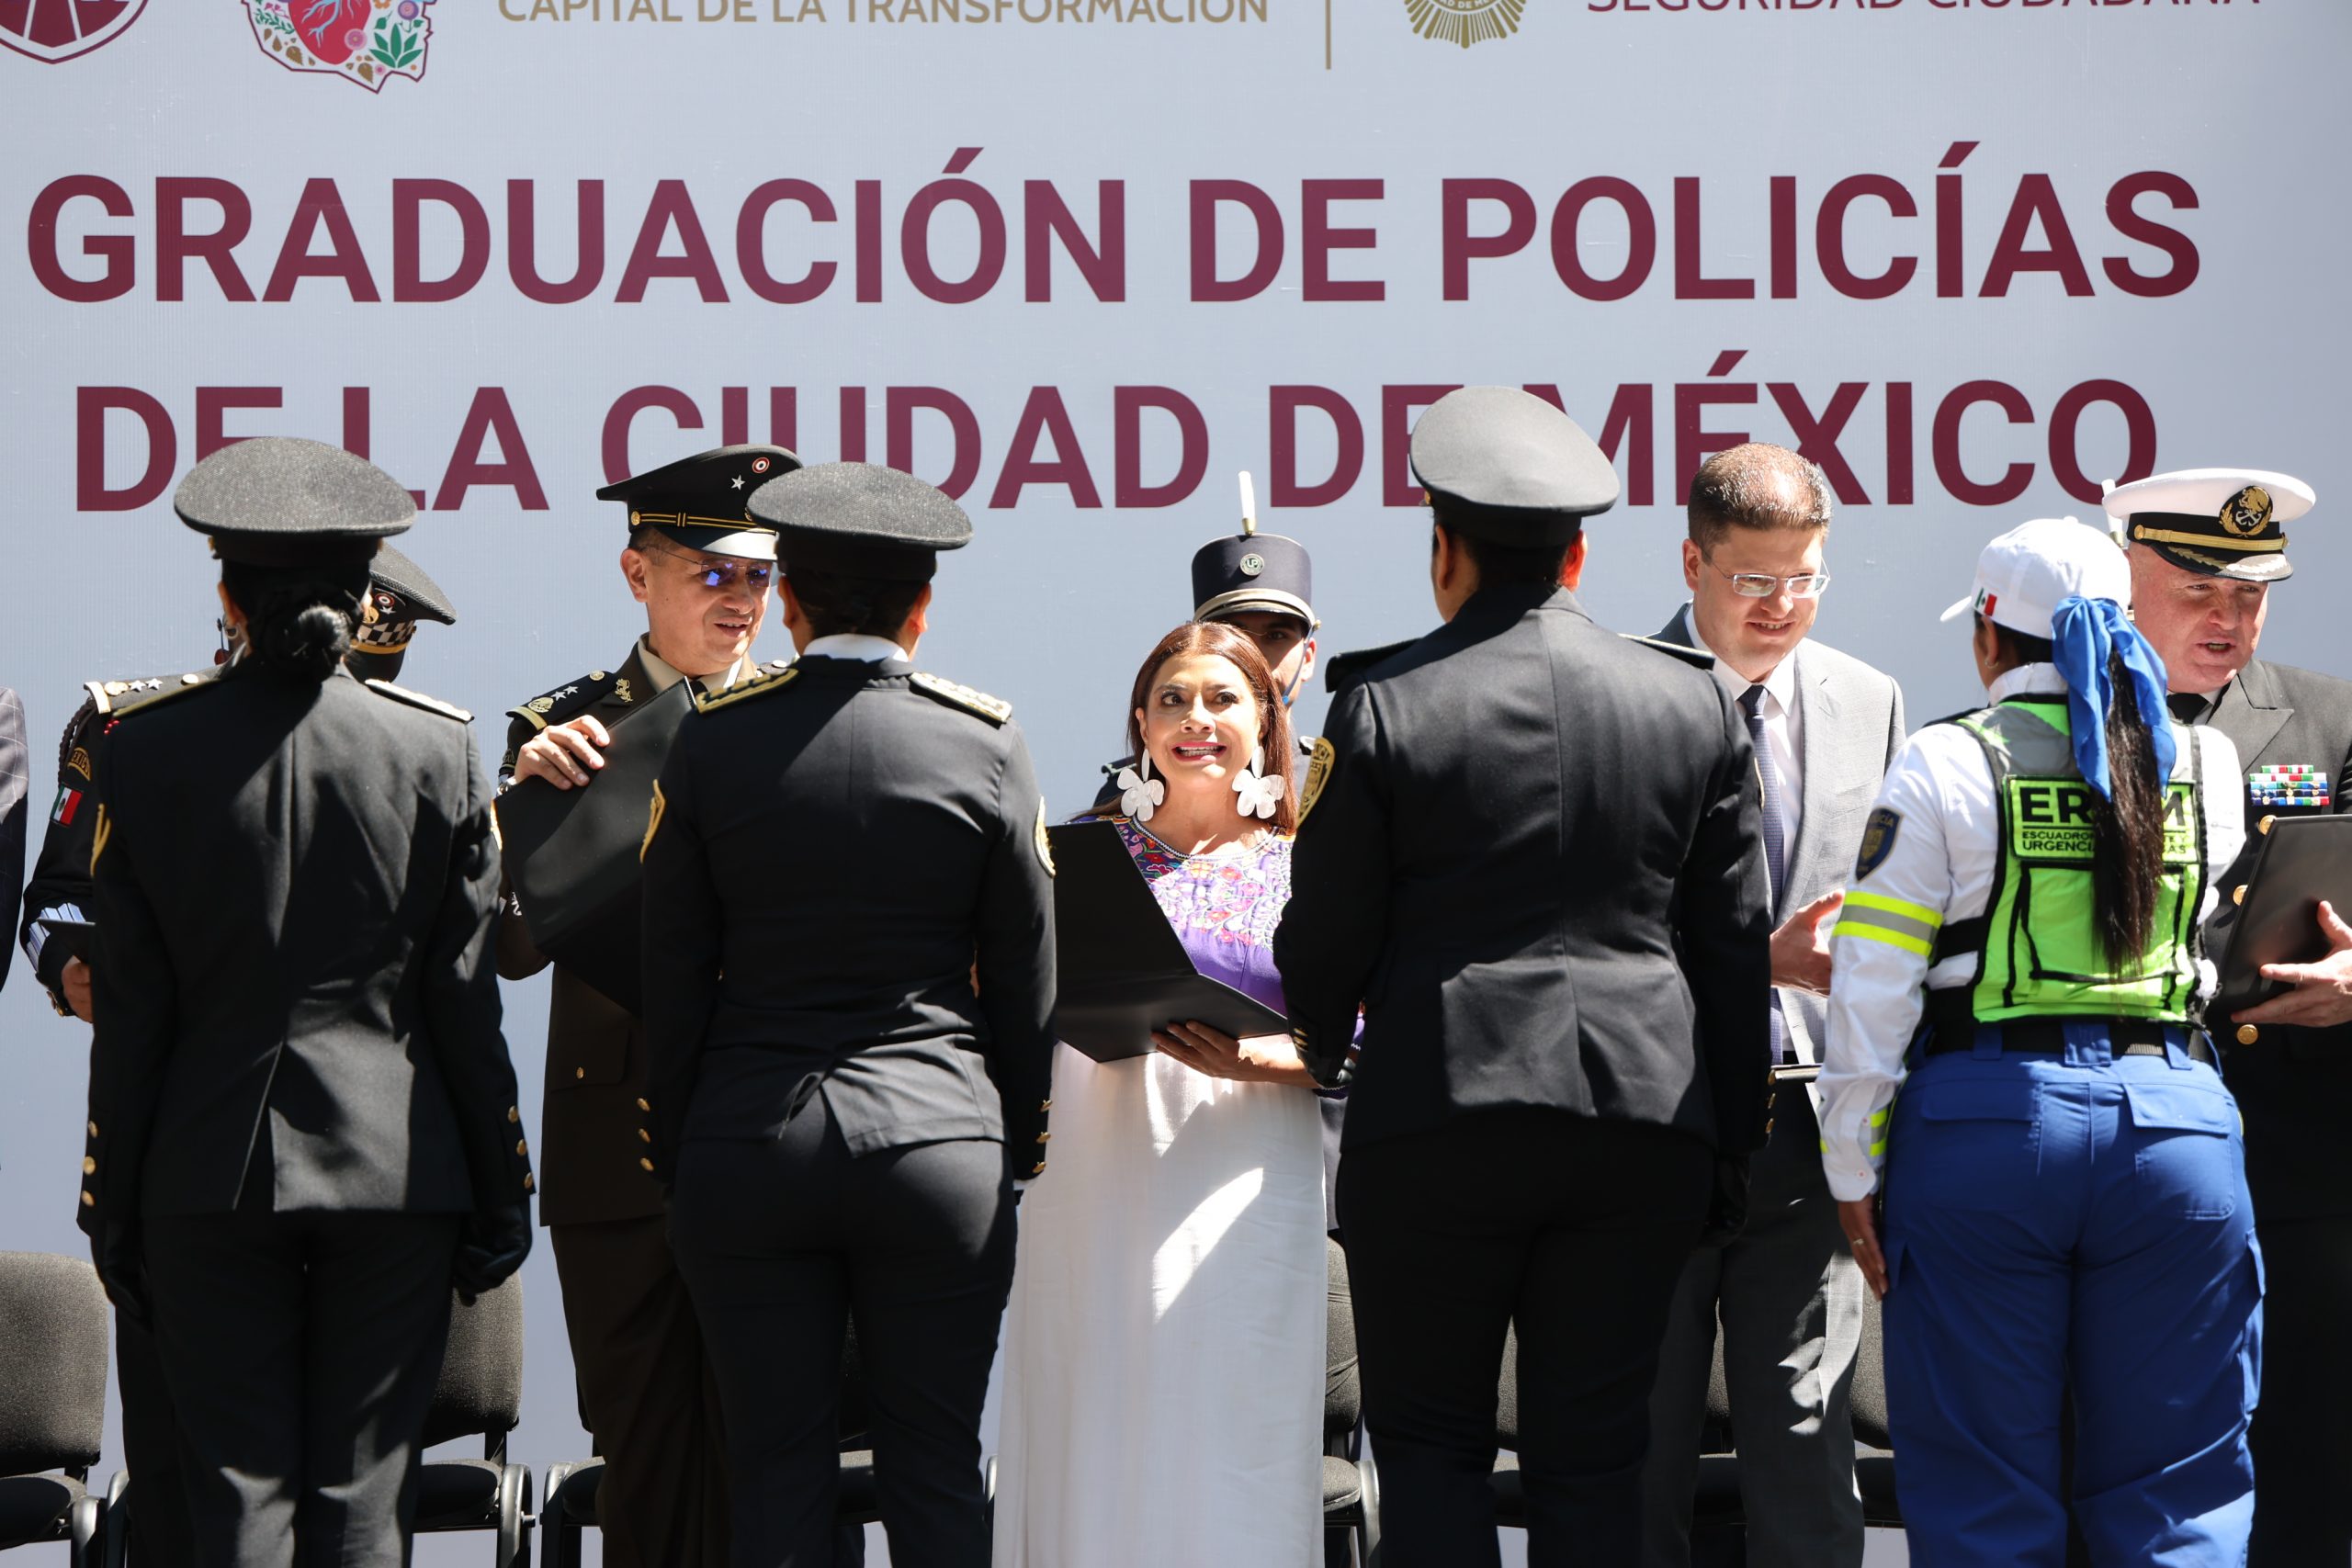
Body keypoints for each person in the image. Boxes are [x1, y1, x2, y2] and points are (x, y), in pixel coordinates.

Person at [1273, 386, 1775, 1567]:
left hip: (1440, 1119)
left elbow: (1322, 943)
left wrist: (1323, 1050)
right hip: (1642, 1125)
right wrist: (1730, 1145)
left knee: (1434, 1440)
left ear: (1442, 550)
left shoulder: (1383, 703)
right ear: (1580, 553)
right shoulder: (1692, 696)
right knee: (1595, 1451)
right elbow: (1733, 943)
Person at [79, 436, 533, 1566]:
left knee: (236, 1501)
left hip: (202, 1173)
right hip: (396, 1171)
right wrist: (499, 1185)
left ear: (225, 590)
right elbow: (464, 1003)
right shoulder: (440, 753)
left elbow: (134, 1014)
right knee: (364, 1504)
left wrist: (114, 1199)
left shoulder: (145, 751)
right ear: (364, 593)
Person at [641, 460, 1056, 1567]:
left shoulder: (714, 738)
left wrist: (685, 1145)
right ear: (922, 609)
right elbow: (1024, 973)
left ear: (788, 601)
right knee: (931, 1460)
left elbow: (673, 972)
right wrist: (1012, 1136)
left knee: (776, 1468)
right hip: (936, 1140)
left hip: (749, 1140)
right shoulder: (983, 740)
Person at [1821, 516, 2258, 1565]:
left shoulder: (1941, 761)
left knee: (1982, 1491)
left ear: (1987, 634)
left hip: (1987, 1130)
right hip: (2176, 1131)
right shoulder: (2208, 759)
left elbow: (1872, 987)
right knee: (2181, 1488)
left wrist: (1851, 1164)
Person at [20, 542, 458, 1568]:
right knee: (187, 1491)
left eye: (369, 670)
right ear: (238, 617)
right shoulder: (136, 726)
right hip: (189, 1153)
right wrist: (91, 966)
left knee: (351, 1500)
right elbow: (54, 906)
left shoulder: (418, 748)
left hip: (365, 1173)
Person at [496, 442, 797, 1568]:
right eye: (712, 574)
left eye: (760, 578)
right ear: (638, 575)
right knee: (645, 1448)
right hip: (616, 1147)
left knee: (777, 1445)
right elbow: (511, 947)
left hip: (775, 1125)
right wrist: (527, 809)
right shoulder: (567, 730)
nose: (741, 601)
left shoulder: (801, 718)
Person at [996, 619, 1328, 1568]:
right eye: (1173, 699)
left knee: (1229, 1425)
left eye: (1222, 699)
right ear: (1140, 722)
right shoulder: (1076, 859)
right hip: (1092, 1174)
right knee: (1091, 1414)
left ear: (1264, 719)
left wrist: (1254, 1063)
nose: (1196, 719)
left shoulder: (1308, 867)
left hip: (1244, 1178)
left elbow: (1372, 1034)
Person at [1642, 445, 1904, 1568]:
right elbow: (1585, 933)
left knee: (1805, 1448)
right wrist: (1760, 961)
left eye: (1805, 579)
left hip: (1805, 1125)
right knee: (1635, 1448)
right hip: (1651, 1124)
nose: (1781, 606)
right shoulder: (1618, 693)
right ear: (1692, 562)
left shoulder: (1868, 696)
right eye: (1754, 582)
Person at [2106, 468, 2347, 1564]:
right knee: (2121, 1460)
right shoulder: (2051, 719)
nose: (2229, 620)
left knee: (2305, 1463)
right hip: (2121, 1156)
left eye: (2251, 596)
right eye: (2200, 590)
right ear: (2122, 580)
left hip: (2295, 1160)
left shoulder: (2331, 718)